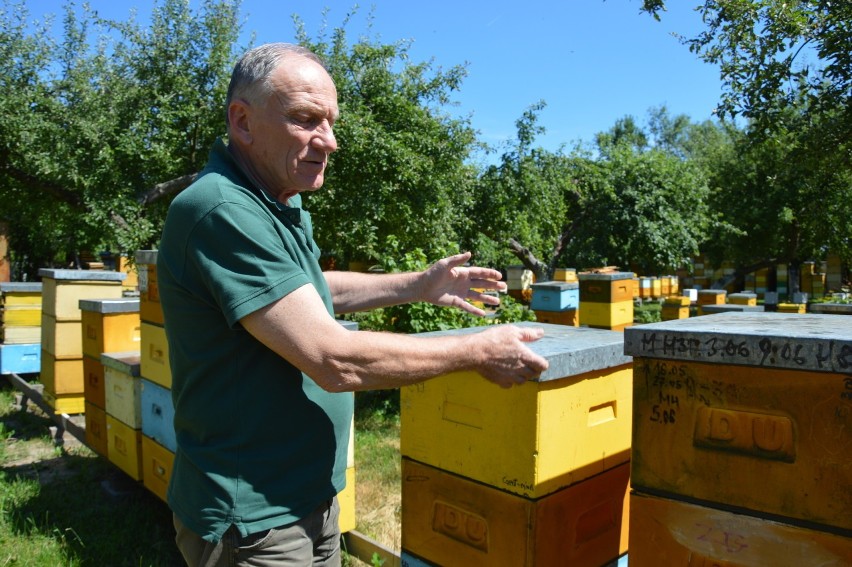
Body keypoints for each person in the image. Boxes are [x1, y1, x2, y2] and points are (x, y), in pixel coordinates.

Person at [157, 42, 549, 566]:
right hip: (253, 518)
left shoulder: (277, 201)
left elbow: (308, 290)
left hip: (305, 495)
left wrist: (418, 284)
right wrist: (476, 351)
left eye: (331, 121)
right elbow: (332, 358)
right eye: (306, 120)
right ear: (243, 122)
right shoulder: (221, 209)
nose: (330, 141)